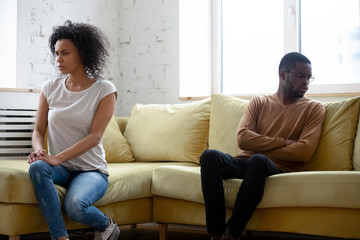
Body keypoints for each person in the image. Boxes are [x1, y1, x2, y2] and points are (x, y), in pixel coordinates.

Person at [200, 52, 326, 240]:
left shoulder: (314, 108)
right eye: (301, 76)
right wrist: (282, 141)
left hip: (275, 167)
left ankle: (232, 233)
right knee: (209, 156)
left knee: (258, 160)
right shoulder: (259, 102)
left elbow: (303, 151)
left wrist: (257, 139)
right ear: (283, 74)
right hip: (245, 163)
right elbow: (242, 139)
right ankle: (216, 234)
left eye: (309, 77)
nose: (306, 82)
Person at [27, 21, 120, 240]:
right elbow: (38, 131)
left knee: (75, 206)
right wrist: (40, 152)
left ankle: (106, 225)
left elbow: (95, 136)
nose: (58, 59)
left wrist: (57, 158)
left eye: (65, 53)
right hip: (60, 169)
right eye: (56, 53)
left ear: (83, 53)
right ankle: (60, 238)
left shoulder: (104, 90)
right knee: (38, 167)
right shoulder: (50, 87)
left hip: (91, 170)